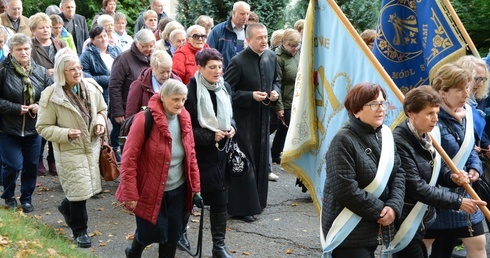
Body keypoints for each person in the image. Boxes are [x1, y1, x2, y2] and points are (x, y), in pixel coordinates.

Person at [392, 86, 485, 258]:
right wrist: (457, 201)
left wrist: (452, 177)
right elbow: (416, 186)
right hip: (407, 218)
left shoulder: (424, 134)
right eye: (429, 114)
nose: (436, 119)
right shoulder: (400, 141)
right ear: (411, 114)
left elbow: (436, 166)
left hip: (421, 218)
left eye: (437, 112)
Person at [116, 79, 201, 258]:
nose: (180, 104)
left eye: (183, 99)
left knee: (172, 236)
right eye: (175, 99)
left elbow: (191, 156)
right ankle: (133, 252)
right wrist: (130, 193)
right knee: (149, 232)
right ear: (163, 97)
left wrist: (195, 189)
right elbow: (129, 159)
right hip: (151, 189)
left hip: (178, 190)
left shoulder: (184, 117)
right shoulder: (144, 119)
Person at [320, 82, 405, 257]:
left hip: (374, 226)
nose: (380, 108)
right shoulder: (343, 140)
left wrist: (393, 206)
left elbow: (398, 174)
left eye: (382, 103)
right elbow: (344, 188)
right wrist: (380, 211)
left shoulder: (386, 136)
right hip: (349, 231)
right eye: (373, 104)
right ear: (356, 110)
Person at [36, 50, 107, 248]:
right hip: (70, 150)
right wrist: (65, 133)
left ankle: (66, 208)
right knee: (79, 192)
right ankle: (80, 231)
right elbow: (42, 127)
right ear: (61, 72)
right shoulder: (51, 95)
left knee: (84, 190)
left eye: (79, 68)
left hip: (91, 147)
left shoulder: (91, 87)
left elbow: (102, 109)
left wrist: (100, 122)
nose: (77, 72)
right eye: (72, 69)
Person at [423, 63, 487, 258]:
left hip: (465, 192)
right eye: (459, 90)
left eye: (467, 88)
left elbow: (470, 150)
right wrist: (452, 175)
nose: (466, 94)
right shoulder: (431, 119)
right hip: (436, 197)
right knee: (423, 245)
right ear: (443, 93)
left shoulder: (467, 113)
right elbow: (427, 159)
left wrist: (475, 169)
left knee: (478, 242)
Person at [223, 23, 280, 222]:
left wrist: (275, 92)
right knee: (245, 162)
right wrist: (250, 96)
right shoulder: (237, 62)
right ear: (248, 40)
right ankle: (241, 208)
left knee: (261, 159)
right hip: (243, 119)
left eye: (266, 36)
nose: (264, 41)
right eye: (259, 38)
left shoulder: (271, 57)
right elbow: (227, 91)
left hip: (263, 117)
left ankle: (257, 203)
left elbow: (276, 81)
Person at [184, 48, 235, 258]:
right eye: (212, 67)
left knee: (221, 199)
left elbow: (231, 116)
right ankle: (180, 234)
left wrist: (232, 127)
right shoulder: (190, 91)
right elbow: (185, 129)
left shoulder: (225, 87)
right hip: (198, 157)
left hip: (221, 155)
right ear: (200, 68)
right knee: (188, 199)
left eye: (220, 67)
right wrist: (209, 136)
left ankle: (218, 246)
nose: (217, 71)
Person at [0, 33, 51, 212]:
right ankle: (8, 195)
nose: (23, 52)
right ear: (11, 51)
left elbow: (50, 96)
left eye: (26, 49)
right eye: (19, 49)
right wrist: (15, 108)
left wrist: (39, 105)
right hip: (8, 129)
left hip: (33, 128)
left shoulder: (40, 72)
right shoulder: (3, 71)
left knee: (31, 166)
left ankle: (26, 198)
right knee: (13, 165)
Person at [29, 12, 66, 177]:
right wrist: (46, 71)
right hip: (39, 90)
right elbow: (28, 67)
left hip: (59, 89)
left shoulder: (60, 44)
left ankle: (53, 160)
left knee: (58, 125)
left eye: (47, 27)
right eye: (41, 27)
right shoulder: (30, 46)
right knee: (43, 126)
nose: (45, 30)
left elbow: (69, 61)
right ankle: (38, 160)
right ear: (33, 30)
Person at [109, 29, 155, 159]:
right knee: (124, 140)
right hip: (126, 108)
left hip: (146, 108)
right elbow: (114, 86)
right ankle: (114, 158)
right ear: (137, 43)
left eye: (151, 46)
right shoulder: (123, 59)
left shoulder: (153, 57)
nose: (148, 49)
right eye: (145, 46)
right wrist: (118, 112)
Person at [271, 29, 301, 184]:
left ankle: (281, 154)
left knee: (288, 128)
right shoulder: (278, 58)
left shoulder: (298, 55)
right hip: (286, 99)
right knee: (285, 127)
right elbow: (278, 83)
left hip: (297, 98)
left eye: (297, 45)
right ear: (283, 43)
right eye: (291, 46)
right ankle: (276, 153)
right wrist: (279, 106)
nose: (295, 48)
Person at [125, 49, 180, 118]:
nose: (166, 75)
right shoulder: (139, 86)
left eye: (168, 71)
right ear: (153, 69)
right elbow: (130, 115)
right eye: (162, 72)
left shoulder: (177, 82)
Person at [80, 25, 121, 105]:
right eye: (100, 37)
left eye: (105, 36)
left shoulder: (116, 50)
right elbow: (85, 76)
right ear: (92, 40)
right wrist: (109, 80)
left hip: (118, 93)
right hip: (100, 94)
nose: (104, 39)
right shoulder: (87, 55)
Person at [207, 1, 250, 69]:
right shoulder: (218, 31)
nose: (245, 17)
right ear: (233, 13)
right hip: (224, 75)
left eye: (247, 14)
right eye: (242, 14)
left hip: (244, 75)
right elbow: (208, 54)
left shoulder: (249, 31)